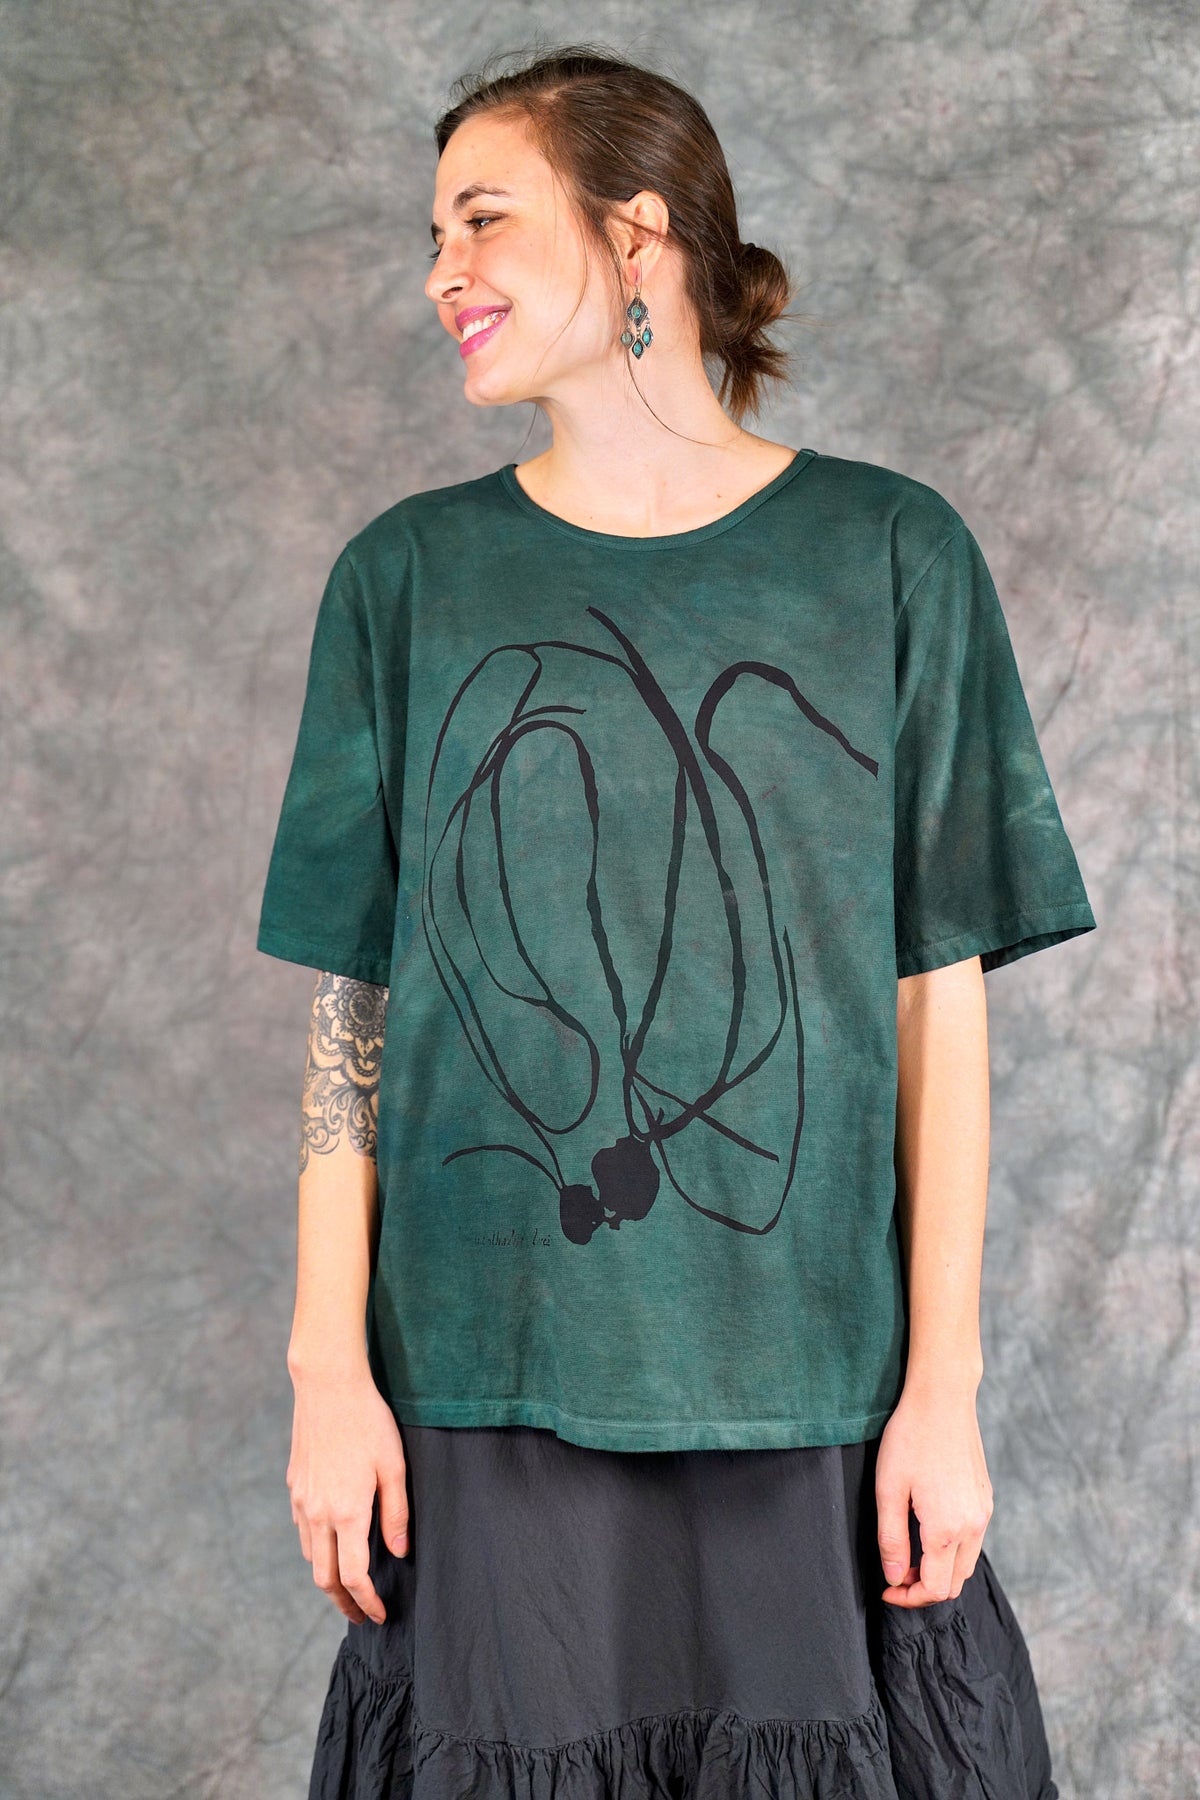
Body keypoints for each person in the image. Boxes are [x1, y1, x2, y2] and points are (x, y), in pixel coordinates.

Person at [256, 43, 1096, 1800]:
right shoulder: (404, 579)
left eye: (483, 220)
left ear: (636, 235)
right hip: (485, 1388)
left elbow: (937, 1009)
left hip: (806, 1386)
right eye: (432, 234)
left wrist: (942, 1389)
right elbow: (354, 1008)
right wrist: (326, 1370)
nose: (441, 272)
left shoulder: (893, 555)